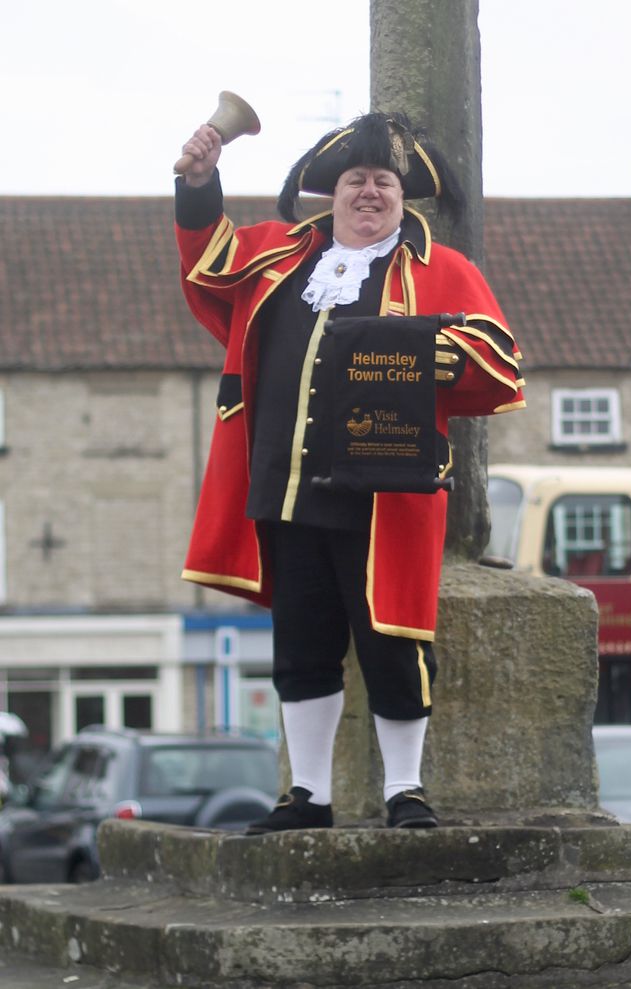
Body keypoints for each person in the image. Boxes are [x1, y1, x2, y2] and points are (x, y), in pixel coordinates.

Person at [174, 111, 525, 833]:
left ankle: (405, 790)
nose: (369, 192)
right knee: (301, 642)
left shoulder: (442, 270)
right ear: (329, 193)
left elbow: (499, 361)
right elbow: (207, 265)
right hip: (286, 484)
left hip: (385, 496)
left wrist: (437, 357)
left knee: (393, 641)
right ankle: (308, 795)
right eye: (356, 180)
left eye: (384, 182)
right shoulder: (276, 255)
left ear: (403, 196)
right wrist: (201, 182)